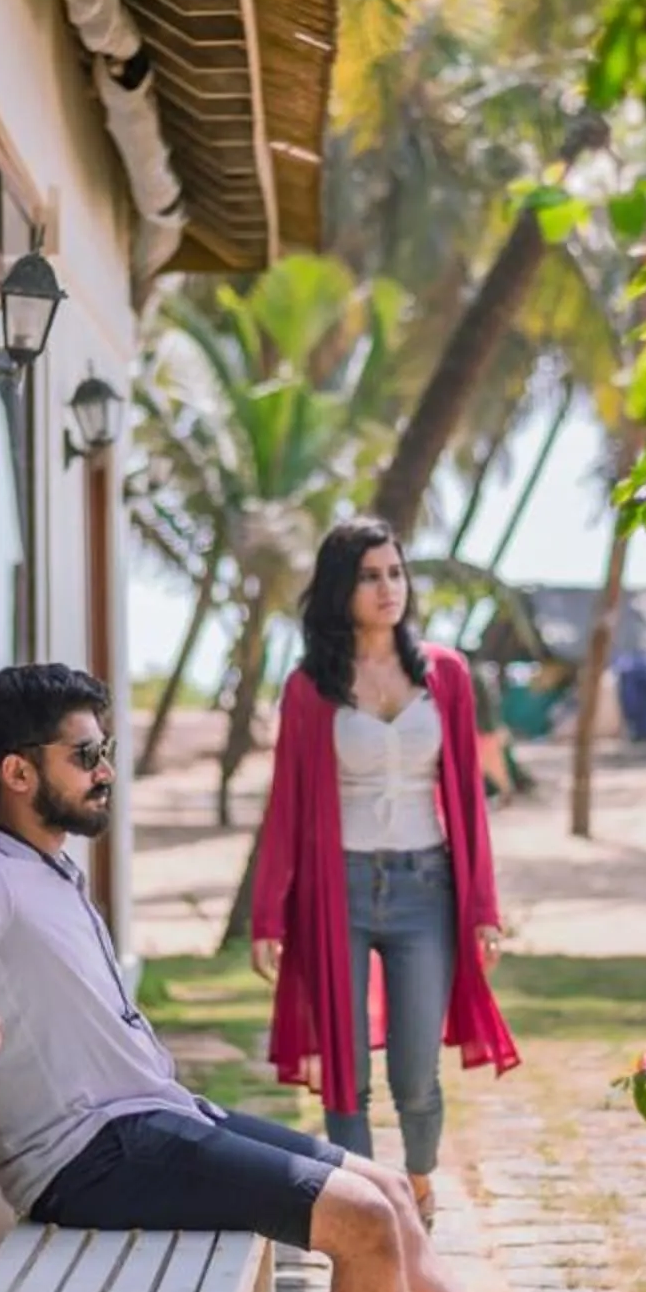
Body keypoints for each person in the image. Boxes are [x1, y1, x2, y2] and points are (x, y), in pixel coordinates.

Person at [0, 663, 646, 1292]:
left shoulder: (45, 863)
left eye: (106, 750)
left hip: (151, 1121)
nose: (105, 770)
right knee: (359, 1219)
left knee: (389, 1191)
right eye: (86, 754)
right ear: (18, 772)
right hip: (92, 1160)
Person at [250, 519, 519, 1227]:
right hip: (336, 891)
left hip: (426, 889)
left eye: (395, 573)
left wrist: (484, 908)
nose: (387, 588)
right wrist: (268, 917)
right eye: (370, 576)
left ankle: (420, 1187)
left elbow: (467, 796)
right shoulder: (311, 688)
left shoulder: (447, 675)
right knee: (345, 1076)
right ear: (343, 589)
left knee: (415, 1075)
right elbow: (285, 807)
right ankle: (372, 1211)